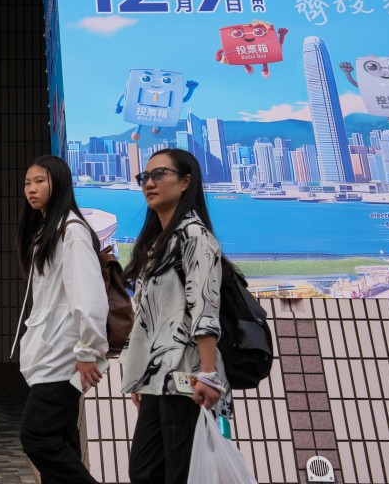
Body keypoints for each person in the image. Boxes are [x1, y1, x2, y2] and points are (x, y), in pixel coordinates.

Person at [119, 148, 231, 484]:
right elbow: (148, 318)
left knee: (178, 473)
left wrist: (209, 374)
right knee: (146, 472)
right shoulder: (156, 243)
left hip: (187, 376)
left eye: (158, 175)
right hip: (158, 379)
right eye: (144, 177)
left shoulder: (195, 236)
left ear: (185, 182)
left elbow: (205, 308)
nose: (148, 184)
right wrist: (142, 374)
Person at [14, 155, 109, 484]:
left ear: (60, 183)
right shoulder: (48, 230)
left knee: (37, 436)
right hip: (50, 354)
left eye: (40, 181)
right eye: (27, 182)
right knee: (61, 440)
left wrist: (87, 351)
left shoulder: (72, 231)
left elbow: (89, 295)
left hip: (63, 357)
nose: (31, 188)